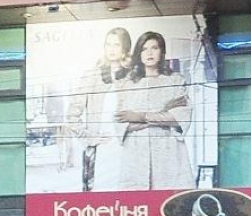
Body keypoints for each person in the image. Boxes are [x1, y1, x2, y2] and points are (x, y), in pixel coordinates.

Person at [114, 31, 194, 190]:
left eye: (154, 48)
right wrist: (162, 114)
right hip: (136, 154)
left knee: (170, 197)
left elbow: (179, 117)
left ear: (162, 52)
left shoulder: (175, 81)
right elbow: (122, 123)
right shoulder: (128, 85)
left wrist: (139, 116)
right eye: (144, 49)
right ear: (139, 54)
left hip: (168, 151)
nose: (149, 53)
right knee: (137, 200)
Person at [64, 27, 132, 191]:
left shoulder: (133, 77)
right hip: (99, 150)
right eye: (108, 44)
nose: (111, 49)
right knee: (98, 196)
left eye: (116, 44)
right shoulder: (92, 75)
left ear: (125, 48)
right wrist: (90, 137)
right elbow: (72, 114)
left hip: (128, 149)